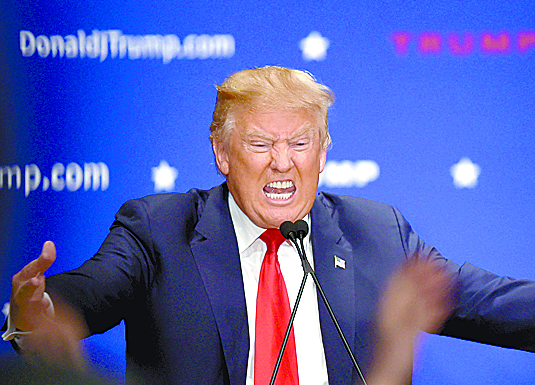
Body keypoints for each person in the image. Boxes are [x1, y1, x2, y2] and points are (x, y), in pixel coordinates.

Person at [3, 66, 534, 385]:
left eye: (300, 143)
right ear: (221, 153)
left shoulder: (377, 231)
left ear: (322, 153)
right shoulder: (158, 229)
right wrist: (39, 310)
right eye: (260, 144)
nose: (284, 163)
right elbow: (91, 290)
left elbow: (487, 302)